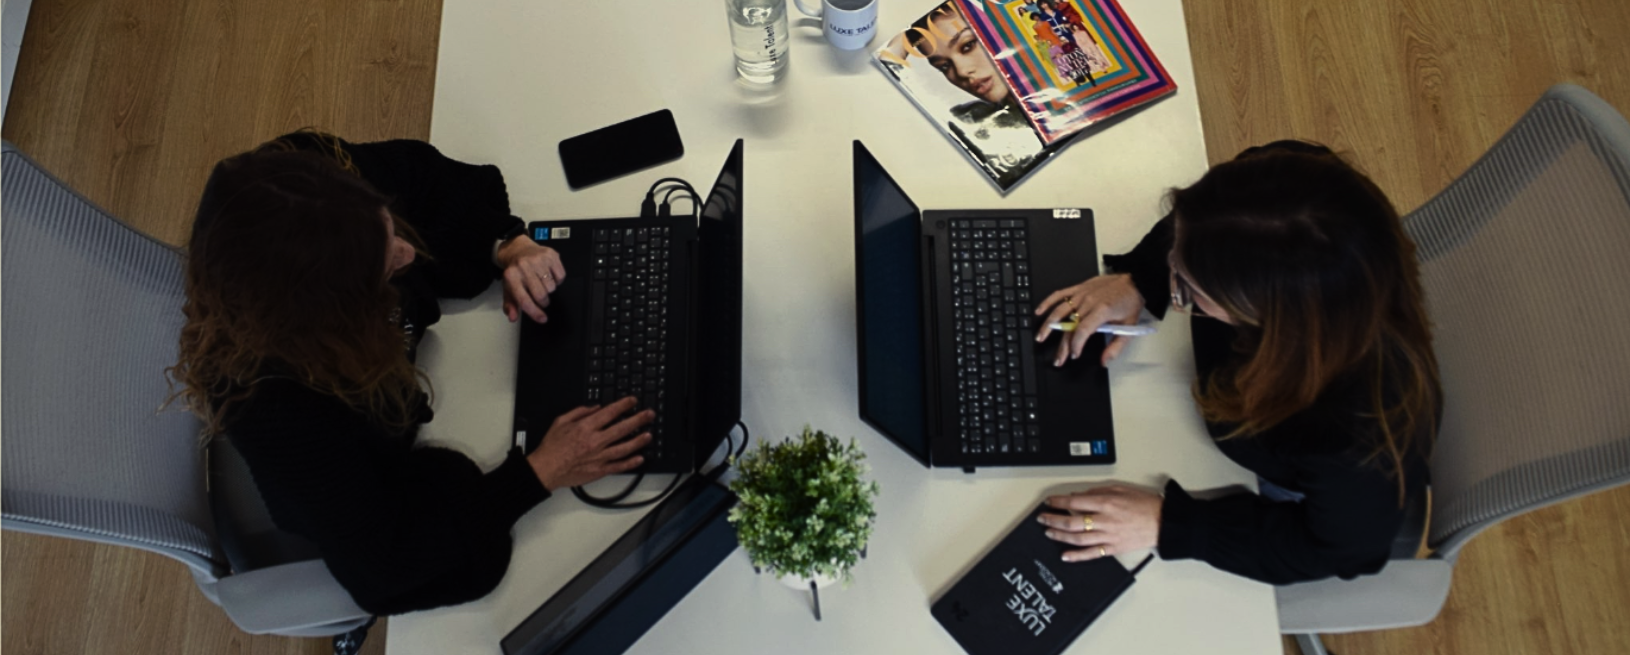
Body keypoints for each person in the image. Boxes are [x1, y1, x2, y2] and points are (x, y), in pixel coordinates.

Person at [166, 132, 653, 628]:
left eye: (390, 227)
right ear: (327, 317)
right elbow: (385, 567)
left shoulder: (304, 183)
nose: (408, 254)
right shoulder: (278, 408)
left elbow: (425, 180)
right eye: (383, 267)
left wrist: (508, 246)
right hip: (362, 487)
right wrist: (539, 473)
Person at [1031, 141, 1441, 585]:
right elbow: (1213, 213)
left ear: (1271, 324)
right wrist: (1140, 279)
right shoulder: (1294, 190)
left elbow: (1339, 552)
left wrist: (1169, 524)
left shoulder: (1353, 435)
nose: (1175, 289)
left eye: (1188, 289)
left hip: (1289, 499)